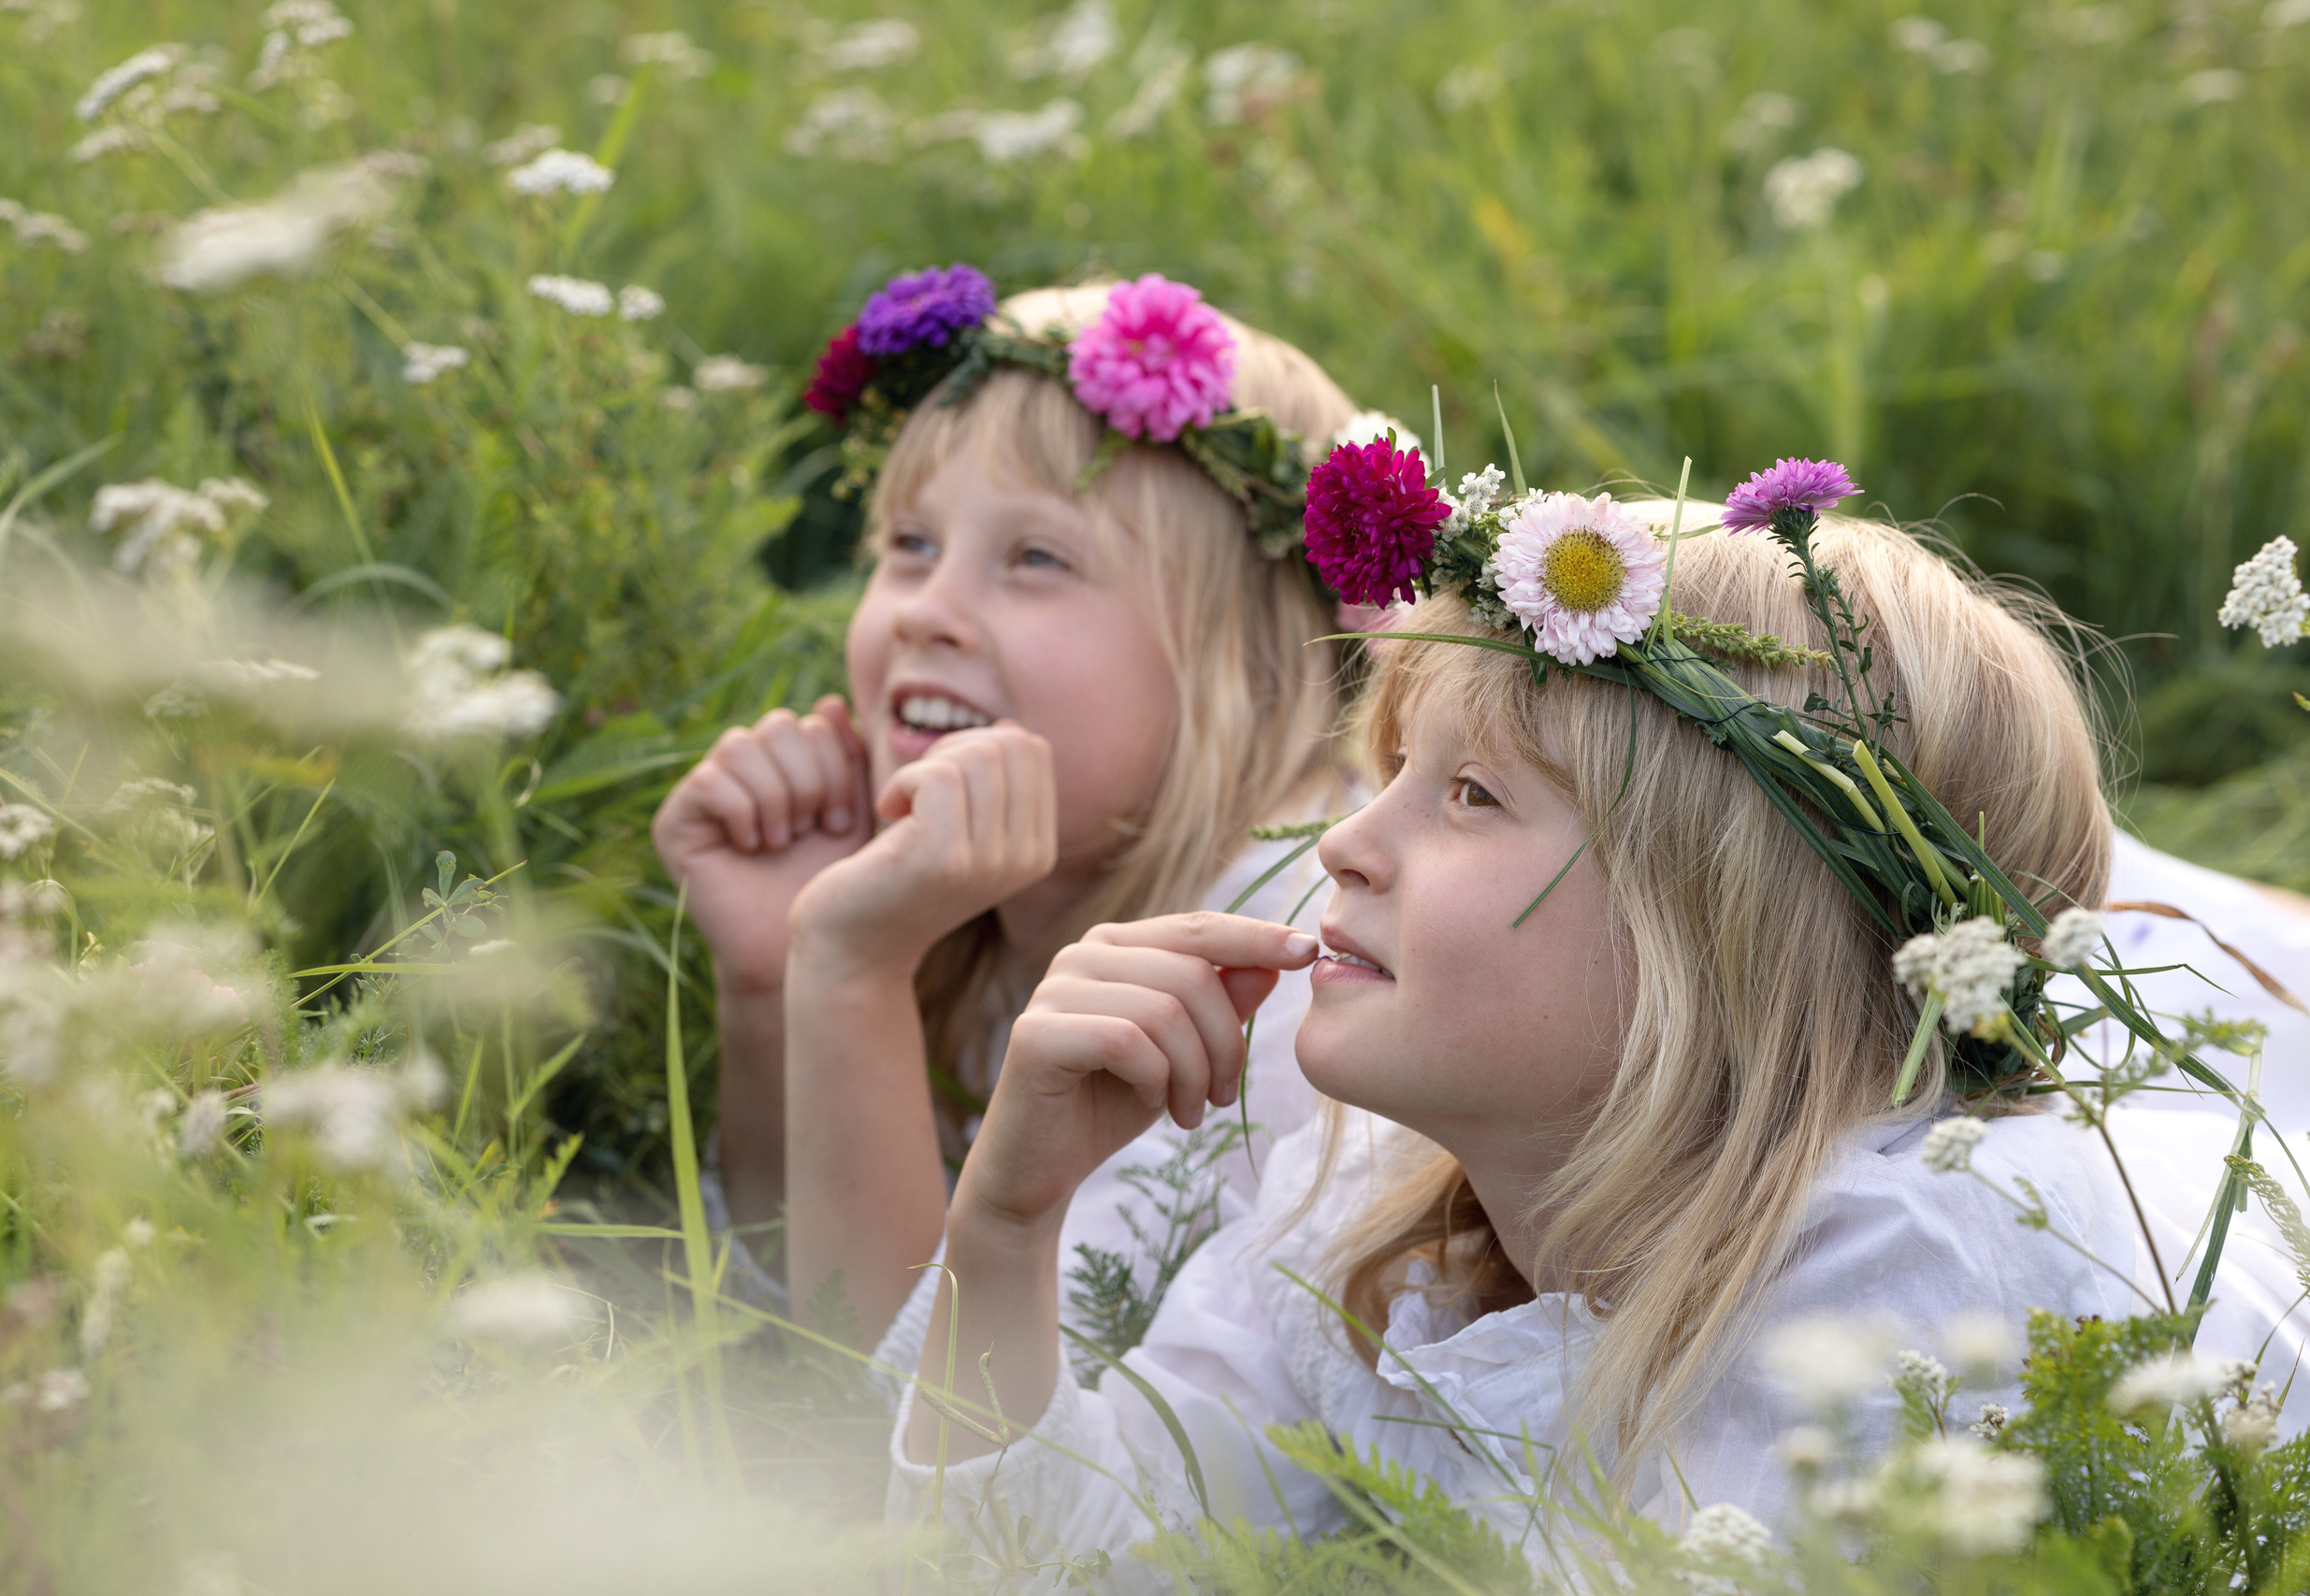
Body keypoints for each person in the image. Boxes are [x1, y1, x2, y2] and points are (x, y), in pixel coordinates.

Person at [892, 470, 2150, 1560]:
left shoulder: (1911, 1278)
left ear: (1720, 929)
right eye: (1392, 773)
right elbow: (1078, 1560)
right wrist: (1006, 1223)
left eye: (1472, 794)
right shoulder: (1382, 1231)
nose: (1344, 841)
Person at [652, 266, 1389, 1349]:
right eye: (908, 546)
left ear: (1247, 667)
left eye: (1035, 558)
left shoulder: (1285, 978)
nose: (928, 612)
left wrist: (851, 974)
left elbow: (935, 1431)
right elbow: (796, 1310)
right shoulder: (998, 906)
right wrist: (775, 983)